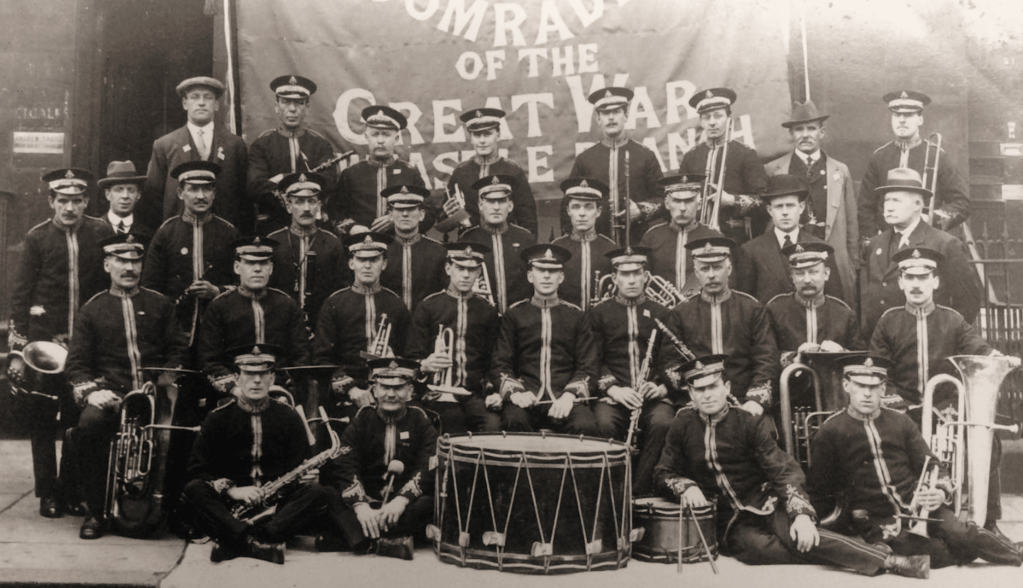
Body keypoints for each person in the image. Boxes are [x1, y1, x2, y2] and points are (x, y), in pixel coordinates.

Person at [653, 354, 931, 579]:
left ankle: (891, 560)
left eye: (713, 387)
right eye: (699, 389)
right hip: (730, 519)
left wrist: (800, 514)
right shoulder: (682, 424)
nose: (707, 395)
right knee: (757, 551)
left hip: (766, 501)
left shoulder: (749, 422)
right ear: (690, 393)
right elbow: (663, 471)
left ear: (726, 387)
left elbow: (782, 469)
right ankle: (859, 551)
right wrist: (685, 486)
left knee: (800, 533)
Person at [808, 355, 1021, 570]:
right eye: (860, 385)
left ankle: (1016, 554)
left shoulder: (900, 421)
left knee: (961, 534)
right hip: (879, 519)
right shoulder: (831, 431)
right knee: (934, 553)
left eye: (873, 387)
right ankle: (968, 550)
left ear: (883, 389)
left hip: (920, 505)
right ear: (846, 385)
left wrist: (940, 492)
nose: (867, 393)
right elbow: (819, 489)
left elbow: (932, 464)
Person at [869, 245, 1009, 538]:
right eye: (910, 277)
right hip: (903, 409)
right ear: (901, 282)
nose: (916, 284)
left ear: (935, 281)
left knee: (986, 439)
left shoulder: (953, 319)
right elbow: (879, 372)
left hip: (945, 409)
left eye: (923, 277)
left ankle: (988, 520)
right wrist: (900, 407)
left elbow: (978, 350)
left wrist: (999, 358)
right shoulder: (888, 321)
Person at [64, 233, 187, 539]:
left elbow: (179, 350)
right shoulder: (92, 309)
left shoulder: (160, 304)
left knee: (186, 428)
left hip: (157, 393)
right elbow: (77, 364)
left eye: (135, 261)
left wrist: (166, 379)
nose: (129, 268)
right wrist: (92, 393)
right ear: (107, 264)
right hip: (113, 394)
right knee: (90, 425)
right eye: (120, 260)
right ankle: (97, 511)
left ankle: (174, 510)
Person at [7, 168, 114, 519]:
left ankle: (70, 488)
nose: (70, 207)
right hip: (45, 346)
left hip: (85, 344)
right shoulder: (37, 238)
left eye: (77, 200)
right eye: (63, 200)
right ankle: (47, 492)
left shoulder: (101, 232)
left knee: (76, 417)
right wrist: (18, 351)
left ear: (86, 201)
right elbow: (20, 296)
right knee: (42, 418)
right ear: (51, 201)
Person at [182, 344, 332, 564]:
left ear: (272, 378)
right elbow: (197, 470)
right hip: (232, 507)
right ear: (237, 378)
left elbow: (299, 465)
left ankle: (238, 540)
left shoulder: (289, 416)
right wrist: (233, 491)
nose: (256, 381)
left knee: (318, 492)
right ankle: (258, 542)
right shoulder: (217, 418)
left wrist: (307, 478)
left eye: (263, 374)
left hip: (277, 508)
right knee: (193, 489)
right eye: (249, 374)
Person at [323, 357, 438, 559]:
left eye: (398, 388)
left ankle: (357, 538)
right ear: (374, 390)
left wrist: (401, 500)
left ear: (410, 391)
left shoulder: (420, 420)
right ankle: (388, 542)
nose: (391, 394)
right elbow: (345, 464)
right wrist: (360, 505)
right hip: (366, 504)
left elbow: (427, 466)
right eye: (384, 387)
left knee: (428, 503)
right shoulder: (362, 419)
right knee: (328, 495)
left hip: (401, 508)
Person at [587, 246, 675, 496]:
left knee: (663, 423)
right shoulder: (598, 314)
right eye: (625, 274)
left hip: (652, 396)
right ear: (614, 278)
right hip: (613, 396)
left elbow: (671, 357)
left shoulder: (663, 313)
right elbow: (592, 359)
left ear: (646, 276)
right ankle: (611, 493)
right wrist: (614, 389)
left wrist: (661, 387)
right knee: (603, 424)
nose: (632, 280)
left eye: (637, 273)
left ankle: (639, 492)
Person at [489, 244, 599, 435]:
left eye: (552, 271)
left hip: (564, 397)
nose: (547, 276)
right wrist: (516, 392)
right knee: (513, 421)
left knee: (585, 426)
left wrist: (569, 396)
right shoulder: (514, 315)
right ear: (530, 276)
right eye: (540, 270)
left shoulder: (576, 316)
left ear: (561, 277)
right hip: (526, 396)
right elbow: (500, 363)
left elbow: (588, 366)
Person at [858, 168, 981, 340]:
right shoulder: (875, 244)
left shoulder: (945, 244)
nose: (889, 207)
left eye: (896, 200)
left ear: (917, 205)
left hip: (926, 342)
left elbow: (968, 301)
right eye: (886, 200)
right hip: (882, 344)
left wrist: (943, 337)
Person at [662, 237, 778, 412]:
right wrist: (694, 393)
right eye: (704, 269)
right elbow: (669, 362)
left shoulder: (752, 309)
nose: (711, 275)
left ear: (729, 269)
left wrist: (755, 400)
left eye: (717, 267)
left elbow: (766, 359)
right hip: (696, 402)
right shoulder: (680, 313)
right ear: (696, 272)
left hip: (744, 401)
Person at [764, 100, 859, 304]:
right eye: (799, 129)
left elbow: (851, 222)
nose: (805, 134)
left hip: (831, 258)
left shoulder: (840, 171)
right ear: (791, 134)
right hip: (789, 260)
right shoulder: (773, 169)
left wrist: (852, 264)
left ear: (821, 132)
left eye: (811, 128)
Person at [141, 161, 240, 350]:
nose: (201, 196)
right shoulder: (166, 233)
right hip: (176, 331)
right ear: (180, 193)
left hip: (221, 331)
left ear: (214, 193)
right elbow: (150, 288)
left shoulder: (229, 233)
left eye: (207, 189)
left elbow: (243, 284)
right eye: (193, 189)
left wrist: (217, 291)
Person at [405, 242, 500, 435]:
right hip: (436, 392)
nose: (466, 275)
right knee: (451, 420)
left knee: (493, 425)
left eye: (471, 270)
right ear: (448, 269)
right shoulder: (428, 306)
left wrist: (493, 391)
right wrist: (424, 365)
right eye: (460, 268)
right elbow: (411, 357)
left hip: (474, 394)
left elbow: (493, 359)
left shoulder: (487, 310)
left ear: (478, 272)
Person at [314, 232, 409, 419]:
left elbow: (407, 353)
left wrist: (394, 363)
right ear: (351, 263)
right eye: (361, 259)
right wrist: (351, 389)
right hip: (347, 393)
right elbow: (322, 358)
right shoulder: (334, 303)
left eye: (374, 260)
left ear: (384, 264)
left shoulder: (396, 303)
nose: (367, 266)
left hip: (390, 388)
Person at [199, 236, 311, 396]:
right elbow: (209, 359)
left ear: (271, 268)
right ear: (237, 267)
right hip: (233, 393)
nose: (257, 269)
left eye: (263, 263)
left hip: (279, 390)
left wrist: (282, 387)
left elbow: (301, 356)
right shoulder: (219, 307)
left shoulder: (287, 305)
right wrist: (234, 389)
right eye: (250, 263)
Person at [857, 90, 971, 239]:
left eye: (909, 115)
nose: (901, 120)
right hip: (887, 242)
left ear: (920, 120)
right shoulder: (879, 157)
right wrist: (875, 240)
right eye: (896, 115)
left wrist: (930, 220)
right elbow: (865, 206)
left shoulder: (937, 155)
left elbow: (962, 203)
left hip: (927, 240)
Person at [143, 76, 249, 232]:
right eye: (195, 97)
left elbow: (244, 196)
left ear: (216, 105)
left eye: (208, 97)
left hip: (223, 233)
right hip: (179, 232)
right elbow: (153, 197)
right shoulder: (165, 145)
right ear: (185, 104)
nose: (201, 102)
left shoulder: (235, 144)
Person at [564, 87, 664, 245]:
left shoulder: (645, 156)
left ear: (626, 115)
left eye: (616, 112)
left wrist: (640, 210)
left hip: (637, 242)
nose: (611, 117)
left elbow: (664, 199)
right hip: (596, 245)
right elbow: (568, 204)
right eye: (605, 113)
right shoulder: (585, 159)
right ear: (598, 119)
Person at [248, 75, 338, 236]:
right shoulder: (261, 144)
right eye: (285, 102)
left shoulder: (321, 145)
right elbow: (256, 187)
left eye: (299, 103)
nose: (292, 109)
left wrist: (280, 179)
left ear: (307, 108)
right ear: (276, 107)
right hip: (273, 225)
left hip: (314, 227)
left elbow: (328, 184)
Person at [734, 174, 844, 304]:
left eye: (790, 205)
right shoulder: (751, 251)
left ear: (801, 208)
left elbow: (835, 302)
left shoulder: (820, 248)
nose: (785, 212)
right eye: (779, 206)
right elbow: (746, 303)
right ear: (770, 210)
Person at [679, 88, 768, 245]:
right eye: (706, 117)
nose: (712, 122)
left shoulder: (746, 154)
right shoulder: (690, 157)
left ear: (729, 118)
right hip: (696, 237)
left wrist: (732, 200)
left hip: (736, 239)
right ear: (701, 122)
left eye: (718, 116)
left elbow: (765, 202)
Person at [326, 105, 429, 238]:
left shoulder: (409, 174)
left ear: (396, 139)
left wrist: (397, 219)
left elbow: (428, 213)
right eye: (375, 134)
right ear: (367, 137)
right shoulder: (351, 174)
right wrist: (351, 227)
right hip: (360, 245)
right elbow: (334, 211)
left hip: (398, 243)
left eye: (386, 135)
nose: (380, 141)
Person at [267, 172, 348, 331]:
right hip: (281, 325)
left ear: (319, 206)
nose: (306, 208)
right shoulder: (274, 242)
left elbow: (342, 291)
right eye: (299, 202)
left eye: (311, 201)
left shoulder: (332, 243)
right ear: (288, 206)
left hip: (323, 326)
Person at [437, 107, 537, 236]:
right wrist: (447, 215)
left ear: (498, 135)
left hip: (506, 240)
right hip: (471, 242)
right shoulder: (461, 172)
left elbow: (528, 219)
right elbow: (444, 223)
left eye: (487, 134)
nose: (482, 140)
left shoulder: (512, 170)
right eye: (477, 135)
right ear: (471, 138)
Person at [766, 242, 864, 368]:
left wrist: (841, 352)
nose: (807, 280)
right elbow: (764, 356)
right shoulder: (775, 310)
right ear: (792, 277)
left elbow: (860, 360)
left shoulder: (844, 313)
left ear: (826, 274)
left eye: (813, 272)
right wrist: (794, 357)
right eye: (800, 273)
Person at [458, 175, 536, 314]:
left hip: (519, 318)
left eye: (501, 201)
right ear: (480, 205)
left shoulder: (525, 238)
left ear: (510, 206)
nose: (496, 207)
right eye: (490, 201)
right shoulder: (468, 239)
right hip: (481, 317)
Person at [639, 172, 723, 300]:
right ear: (667, 204)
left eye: (689, 201)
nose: (682, 208)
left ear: (699, 204)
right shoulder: (651, 237)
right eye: (676, 201)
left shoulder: (714, 237)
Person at [378, 184, 446, 312]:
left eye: (411, 209)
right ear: (390, 215)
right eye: (399, 209)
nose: (405, 214)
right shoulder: (380, 252)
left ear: (421, 215)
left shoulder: (439, 252)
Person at [551, 177, 616, 310]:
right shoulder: (556, 248)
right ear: (568, 211)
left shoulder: (611, 249)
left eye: (588, 207)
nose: (582, 213)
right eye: (576, 207)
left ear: (598, 211)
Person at [97, 160, 152, 239]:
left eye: (131, 190)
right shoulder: (95, 229)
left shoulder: (147, 233)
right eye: (119, 190)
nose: (125, 196)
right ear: (107, 194)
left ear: (138, 195)